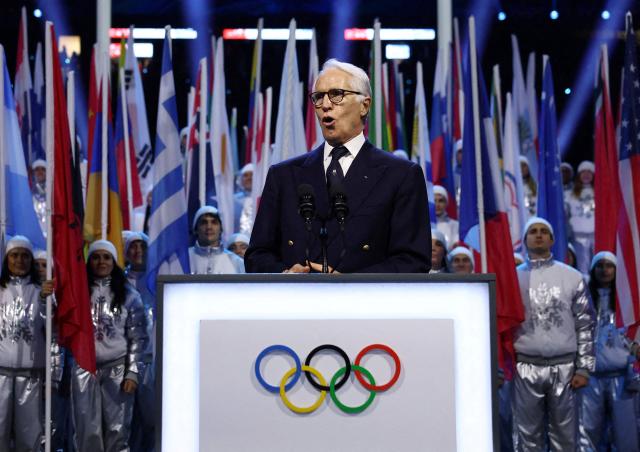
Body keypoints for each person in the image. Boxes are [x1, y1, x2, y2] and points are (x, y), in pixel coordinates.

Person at [245, 58, 430, 273]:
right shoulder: (284, 176)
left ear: (364, 105)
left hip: (364, 303)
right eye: (318, 97)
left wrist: (347, 284)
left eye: (336, 95)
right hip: (297, 302)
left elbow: (413, 261)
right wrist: (286, 275)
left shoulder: (401, 175)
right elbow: (257, 256)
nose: (325, 105)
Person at [512, 217, 595, 451]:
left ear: (552, 239)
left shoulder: (572, 277)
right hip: (525, 367)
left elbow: (586, 324)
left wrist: (584, 368)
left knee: (566, 436)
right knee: (527, 435)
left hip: (566, 369)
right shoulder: (513, 279)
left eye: (543, 231)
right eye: (533, 231)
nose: (538, 235)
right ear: (525, 239)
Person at [71, 240, 149, 452]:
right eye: (96, 257)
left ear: (114, 262)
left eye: (106, 257)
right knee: (87, 429)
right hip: (84, 369)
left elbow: (139, 338)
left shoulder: (129, 295)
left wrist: (132, 373)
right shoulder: (77, 294)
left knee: (118, 430)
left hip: (118, 369)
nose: (101, 262)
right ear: (89, 261)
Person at [0, 236, 60, 451]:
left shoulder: (41, 292)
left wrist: (45, 300)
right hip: (1, 376)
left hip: (30, 377)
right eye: (14, 255)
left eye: (25, 256)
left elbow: (51, 327)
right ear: (7, 259)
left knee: (30, 437)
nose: (19, 260)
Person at [577, 251, 640, 451]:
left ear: (616, 270)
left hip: (620, 378)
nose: (605, 270)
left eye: (609, 266)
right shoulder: (583, 301)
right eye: (600, 266)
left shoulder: (627, 301)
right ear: (593, 270)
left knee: (626, 434)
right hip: (591, 377)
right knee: (587, 432)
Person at [122, 232, 156, 452]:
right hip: (123, 361)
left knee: (150, 421)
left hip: (152, 359)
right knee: (126, 422)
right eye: (133, 247)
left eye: (142, 246)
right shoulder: (119, 281)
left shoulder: (157, 278)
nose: (138, 251)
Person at [189, 206, 245, 274]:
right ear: (196, 229)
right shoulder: (184, 259)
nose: (209, 227)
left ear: (221, 229)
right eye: (204, 222)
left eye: (214, 222)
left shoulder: (236, 262)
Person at [565, 160, 595, 274]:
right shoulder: (570, 194)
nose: (586, 175)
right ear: (579, 175)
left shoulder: (599, 191)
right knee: (581, 268)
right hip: (577, 238)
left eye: (589, 172)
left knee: (596, 266)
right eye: (583, 172)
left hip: (595, 236)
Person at [234, 164, 255, 236]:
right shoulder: (234, 200)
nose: (249, 178)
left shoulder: (264, 198)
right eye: (246, 175)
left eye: (252, 174)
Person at [31, 159, 48, 237]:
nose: (40, 172)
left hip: (49, 232)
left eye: (43, 169)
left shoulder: (53, 191)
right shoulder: (29, 192)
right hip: (35, 233)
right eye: (37, 170)